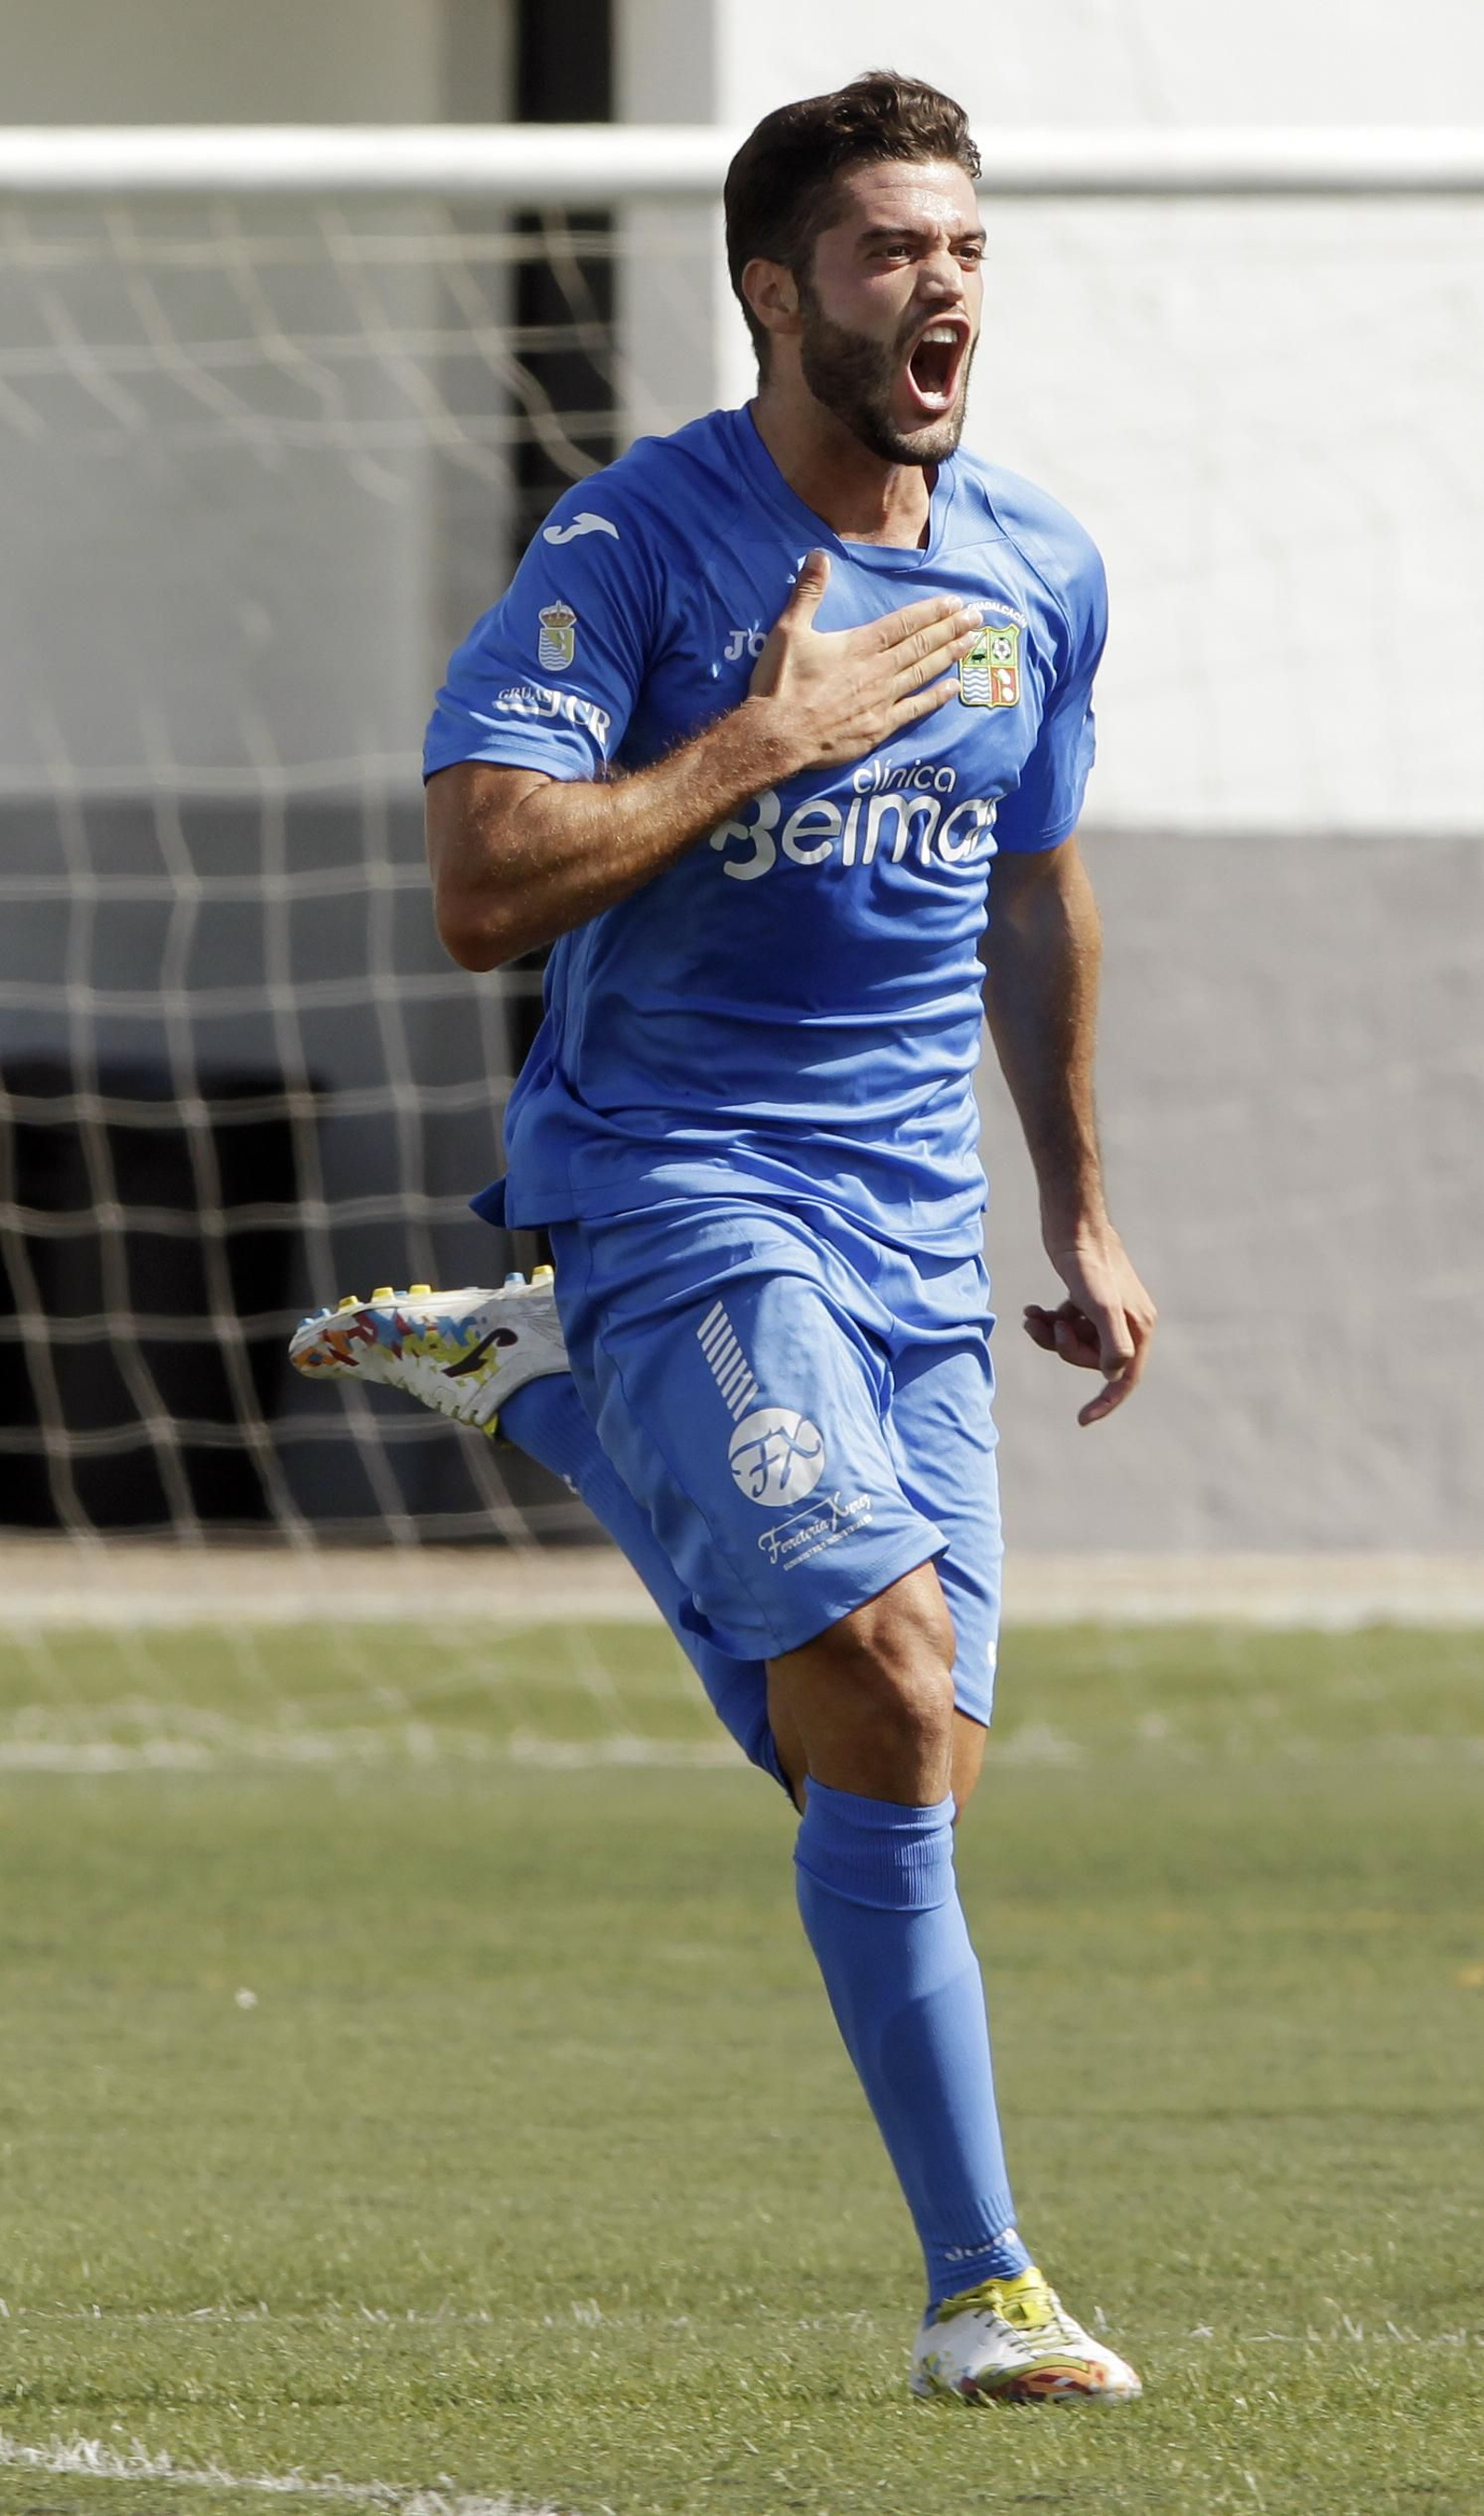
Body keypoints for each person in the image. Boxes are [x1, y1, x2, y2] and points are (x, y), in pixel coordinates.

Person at [291, 70, 1156, 2406]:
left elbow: (1033, 886)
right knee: (874, 1664)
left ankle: (556, 1400)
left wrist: (1077, 1203)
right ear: (774, 290)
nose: (939, 285)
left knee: (891, 1763)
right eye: (888, 249)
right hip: (675, 1180)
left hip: (909, 1230)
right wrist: (753, 746)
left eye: (962, 246)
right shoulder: (636, 542)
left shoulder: (1037, 568)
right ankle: (981, 2291)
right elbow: (483, 883)